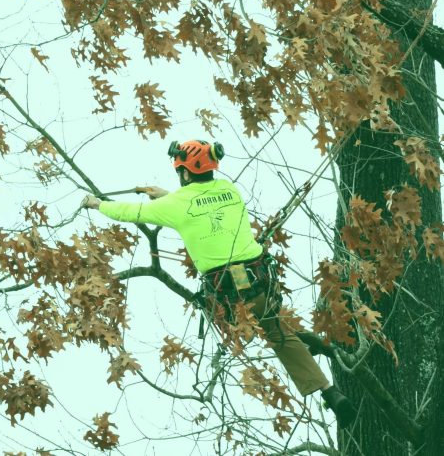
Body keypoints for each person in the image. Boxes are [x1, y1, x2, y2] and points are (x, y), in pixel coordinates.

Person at [82, 139, 356, 428]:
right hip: (261, 277)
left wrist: (97, 203)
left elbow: (130, 211)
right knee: (273, 323)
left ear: (185, 173)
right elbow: (200, 201)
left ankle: (329, 392)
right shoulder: (229, 189)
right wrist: (166, 195)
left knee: (276, 335)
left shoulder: (176, 204)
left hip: (231, 288)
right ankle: (326, 348)